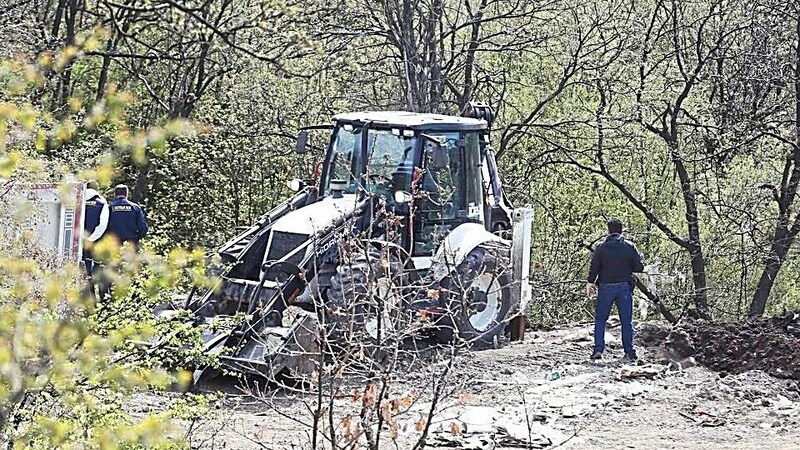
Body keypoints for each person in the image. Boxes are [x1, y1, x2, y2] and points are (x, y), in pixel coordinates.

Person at [586, 218, 645, 362]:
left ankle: (598, 349)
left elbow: (594, 267)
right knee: (626, 321)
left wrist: (590, 283)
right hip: (624, 287)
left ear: (608, 231)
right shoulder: (629, 246)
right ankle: (629, 352)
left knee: (600, 319)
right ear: (621, 230)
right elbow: (639, 268)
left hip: (606, 287)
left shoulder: (601, 247)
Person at [107, 184, 148, 251]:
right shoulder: (135, 207)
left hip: (114, 244)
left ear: (115, 194)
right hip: (131, 244)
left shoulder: (110, 208)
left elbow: (105, 226)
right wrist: (137, 238)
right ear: (126, 194)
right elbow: (143, 227)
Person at [82, 180, 109, 278]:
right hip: (94, 241)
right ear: (97, 189)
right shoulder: (102, 203)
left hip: (76, 240)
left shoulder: (77, 201)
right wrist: (90, 239)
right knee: (92, 269)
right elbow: (102, 225)